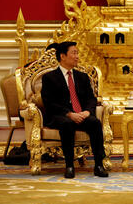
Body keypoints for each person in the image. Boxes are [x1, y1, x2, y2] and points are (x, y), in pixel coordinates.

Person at [41, 41, 108, 178]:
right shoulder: (49, 78)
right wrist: (69, 114)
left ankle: (99, 165)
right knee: (67, 124)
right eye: (74, 53)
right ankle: (69, 166)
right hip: (61, 115)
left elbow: (91, 99)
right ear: (63, 56)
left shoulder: (82, 77)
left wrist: (87, 112)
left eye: (77, 53)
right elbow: (49, 103)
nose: (77, 56)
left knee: (94, 123)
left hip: (81, 113)